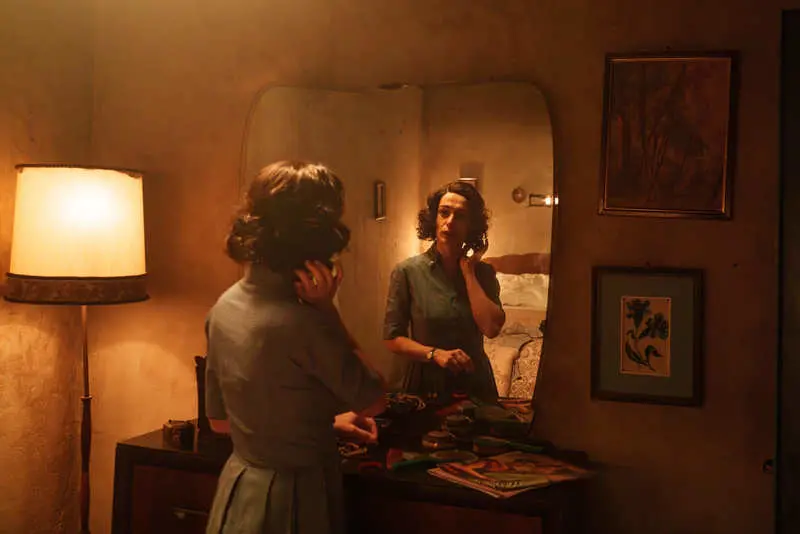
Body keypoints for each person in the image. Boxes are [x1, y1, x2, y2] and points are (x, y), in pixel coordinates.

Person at [204, 161, 386, 534]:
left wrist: (319, 424)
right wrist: (328, 312)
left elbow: (220, 423)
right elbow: (374, 400)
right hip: (296, 498)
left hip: (239, 490)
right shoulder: (304, 322)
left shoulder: (223, 307)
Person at [383, 181, 506, 402]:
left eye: (460, 216)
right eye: (444, 213)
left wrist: (468, 272)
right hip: (426, 384)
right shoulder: (407, 272)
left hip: (475, 384)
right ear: (434, 218)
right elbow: (392, 338)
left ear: (471, 226)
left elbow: (491, 328)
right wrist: (434, 354)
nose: (450, 222)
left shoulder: (483, 273)